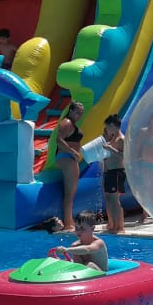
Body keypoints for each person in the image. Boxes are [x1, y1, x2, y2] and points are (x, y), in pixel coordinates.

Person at [52, 99, 87, 231]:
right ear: (71, 110)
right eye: (77, 112)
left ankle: (69, 221)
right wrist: (73, 152)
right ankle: (68, 223)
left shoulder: (71, 123)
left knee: (70, 193)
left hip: (68, 157)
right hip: (67, 158)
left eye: (81, 112)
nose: (80, 115)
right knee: (70, 193)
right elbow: (59, 140)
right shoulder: (67, 122)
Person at [99, 114, 128, 235]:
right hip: (110, 172)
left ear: (112, 125)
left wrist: (111, 149)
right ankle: (112, 225)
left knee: (115, 201)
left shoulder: (121, 139)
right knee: (109, 200)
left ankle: (120, 227)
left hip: (117, 171)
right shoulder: (112, 139)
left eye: (107, 126)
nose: (106, 129)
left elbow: (125, 156)